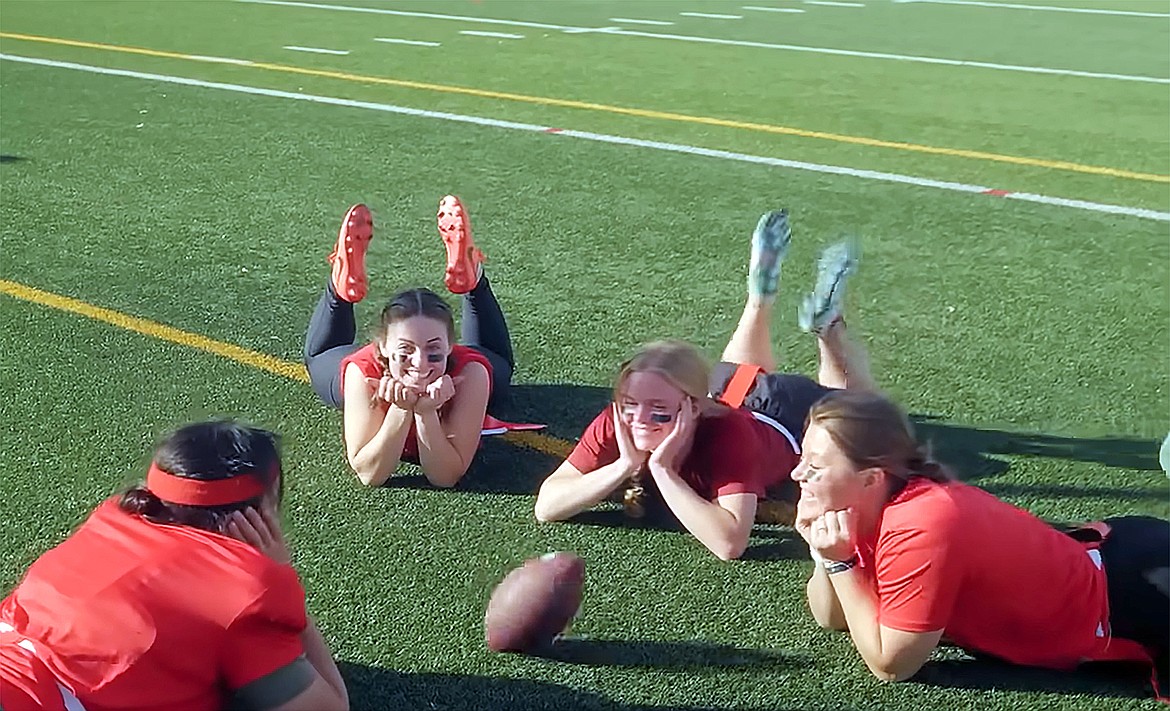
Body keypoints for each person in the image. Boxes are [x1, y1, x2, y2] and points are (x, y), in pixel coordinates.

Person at [534, 209, 876, 560]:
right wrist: (623, 465)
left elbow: (730, 543)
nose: (639, 419)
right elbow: (547, 506)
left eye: (659, 412)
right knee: (739, 374)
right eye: (630, 404)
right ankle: (760, 295)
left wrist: (662, 470)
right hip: (729, 391)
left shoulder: (727, 435)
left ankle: (828, 328)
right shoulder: (620, 417)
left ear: (691, 408)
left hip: (787, 412)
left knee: (867, 417)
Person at [794, 388, 1169, 692]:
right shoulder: (872, 504)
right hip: (1116, 561)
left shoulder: (919, 525)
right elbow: (834, 618)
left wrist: (840, 564)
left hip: (1137, 596)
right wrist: (824, 555)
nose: (796, 474)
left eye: (814, 467)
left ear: (871, 479)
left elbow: (892, 664)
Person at [0, 421, 348, 711]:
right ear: (257, 516)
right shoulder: (243, 592)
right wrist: (282, 574)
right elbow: (332, 705)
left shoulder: (113, 517)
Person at [304, 196, 532, 488]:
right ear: (382, 348)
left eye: (434, 353)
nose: (421, 366)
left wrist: (424, 414)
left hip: (458, 367)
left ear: (452, 346)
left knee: (491, 363)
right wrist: (400, 409)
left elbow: (446, 476)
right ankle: (472, 282)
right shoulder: (362, 372)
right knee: (320, 357)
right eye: (405, 353)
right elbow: (369, 474)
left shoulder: (470, 373)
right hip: (373, 368)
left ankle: (341, 291)